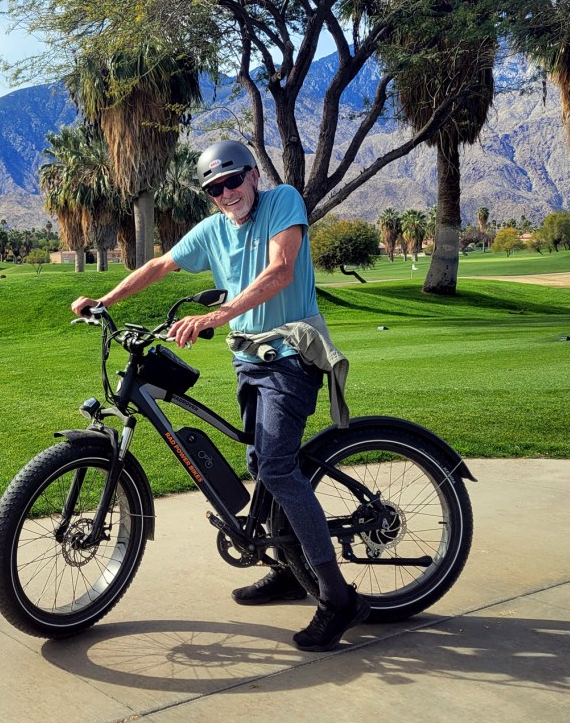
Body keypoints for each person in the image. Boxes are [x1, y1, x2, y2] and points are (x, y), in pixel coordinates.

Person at [71, 140, 369, 652]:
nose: (226, 193)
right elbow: (161, 264)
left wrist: (214, 317)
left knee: (275, 467)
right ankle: (288, 570)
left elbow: (281, 271)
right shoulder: (213, 230)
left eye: (233, 181)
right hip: (248, 363)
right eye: (214, 188)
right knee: (263, 462)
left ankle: (336, 597)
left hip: (292, 355)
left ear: (253, 175)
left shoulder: (283, 201)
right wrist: (104, 299)